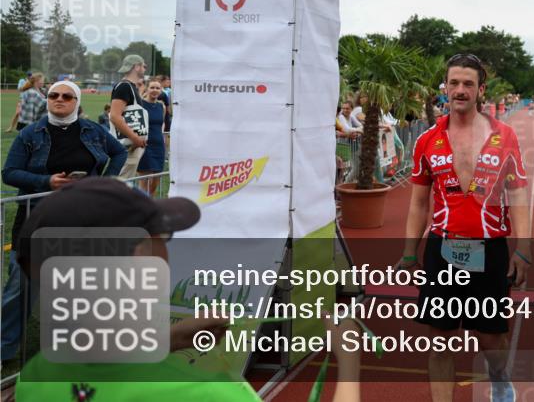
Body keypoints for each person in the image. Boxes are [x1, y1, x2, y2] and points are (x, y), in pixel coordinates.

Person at [12, 177, 362, 402]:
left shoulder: (38, 375)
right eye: (164, 237)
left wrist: (171, 338)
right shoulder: (207, 393)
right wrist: (348, 364)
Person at [397, 53, 530, 402]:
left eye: (468, 84)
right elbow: (418, 203)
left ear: (480, 90)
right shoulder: (427, 139)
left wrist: (524, 249)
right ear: (445, 87)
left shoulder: (504, 136)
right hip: (442, 250)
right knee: (440, 339)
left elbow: (518, 195)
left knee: (491, 338)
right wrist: (409, 253)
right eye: (453, 83)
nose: (460, 90)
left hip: (490, 250)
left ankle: (500, 380)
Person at [1, 80, 127, 362]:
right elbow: (9, 173)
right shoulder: (30, 133)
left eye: (67, 96)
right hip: (37, 218)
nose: (59, 99)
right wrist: (46, 181)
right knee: (21, 287)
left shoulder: (92, 130)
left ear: (76, 102)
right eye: (53, 95)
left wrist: (102, 182)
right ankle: (4, 348)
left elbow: (118, 152)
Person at [110, 54, 148, 177]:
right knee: (121, 181)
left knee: (126, 179)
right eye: (144, 66)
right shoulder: (124, 87)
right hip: (128, 145)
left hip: (131, 144)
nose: (145, 69)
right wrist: (135, 138)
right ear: (136, 67)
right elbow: (115, 116)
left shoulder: (130, 87)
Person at [137, 80, 168, 195]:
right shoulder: (140, 104)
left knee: (156, 178)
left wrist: (161, 133)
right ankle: (142, 202)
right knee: (144, 178)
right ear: (147, 89)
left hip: (159, 145)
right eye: (152, 87)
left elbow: (162, 122)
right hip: (144, 145)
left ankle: (149, 200)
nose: (155, 90)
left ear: (161, 90)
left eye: (157, 88)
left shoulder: (162, 106)